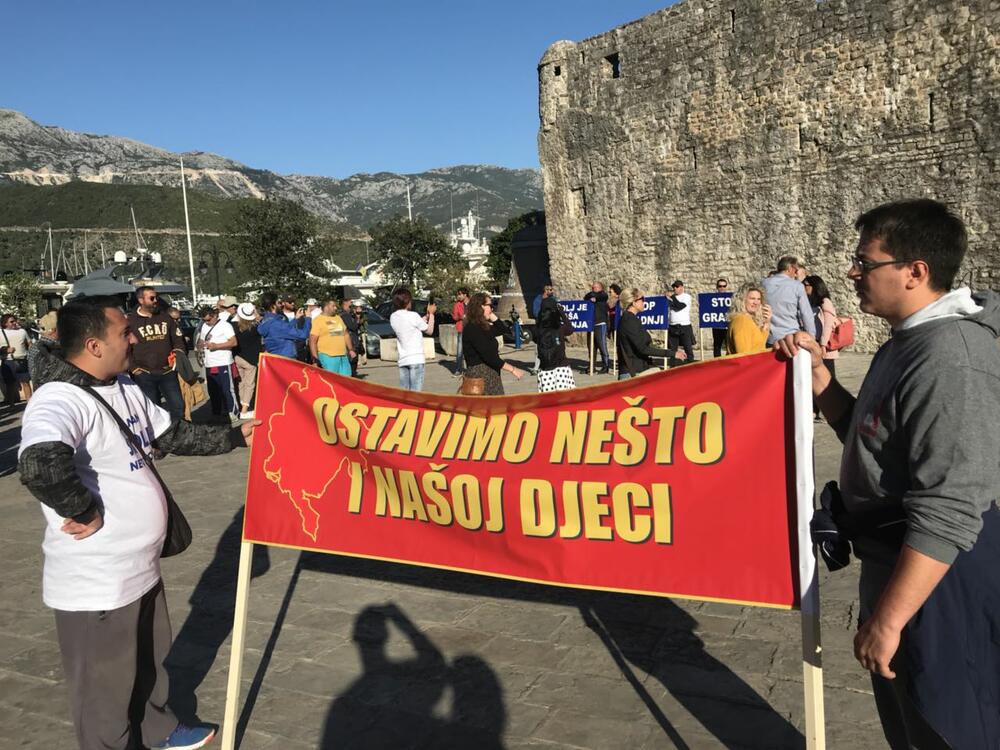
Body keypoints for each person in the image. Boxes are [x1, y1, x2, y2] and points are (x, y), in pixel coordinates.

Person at [778, 199, 1000, 749]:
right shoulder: (905, 342)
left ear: (915, 272)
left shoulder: (950, 355)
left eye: (865, 262)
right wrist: (821, 380)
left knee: (948, 725)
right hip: (901, 568)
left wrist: (889, 619)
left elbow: (950, 504)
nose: (852, 272)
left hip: (939, 580)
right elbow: (873, 436)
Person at [17, 295, 259, 750]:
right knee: (103, 689)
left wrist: (233, 436)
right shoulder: (59, 398)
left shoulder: (122, 384)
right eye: (123, 333)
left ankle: (158, 730)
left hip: (140, 569)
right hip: (98, 579)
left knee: (149, 662)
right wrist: (83, 510)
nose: (134, 339)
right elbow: (39, 463)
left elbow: (169, 434)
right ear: (92, 345)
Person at [127, 287, 186, 422]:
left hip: (167, 372)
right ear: (141, 300)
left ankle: (180, 436)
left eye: (156, 297)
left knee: (178, 406)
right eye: (151, 298)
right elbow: (125, 348)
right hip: (144, 373)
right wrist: (134, 368)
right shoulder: (131, 321)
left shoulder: (165, 317)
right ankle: (161, 439)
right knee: (153, 410)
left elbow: (178, 339)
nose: (156, 301)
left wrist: (177, 355)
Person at [461, 293, 525, 395]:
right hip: (480, 376)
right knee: (488, 408)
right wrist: (513, 369)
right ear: (480, 306)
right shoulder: (472, 328)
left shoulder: (483, 326)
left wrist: (490, 314)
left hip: (490, 374)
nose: (492, 308)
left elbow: (503, 329)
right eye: (490, 305)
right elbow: (489, 357)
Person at [616, 288, 685, 379]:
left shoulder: (631, 319)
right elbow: (643, 348)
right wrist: (672, 353)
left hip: (638, 369)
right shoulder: (629, 321)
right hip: (632, 373)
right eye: (642, 299)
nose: (644, 302)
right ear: (633, 302)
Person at [196, 306, 240, 422]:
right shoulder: (205, 325)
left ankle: (233, 412)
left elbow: (234, 342)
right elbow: (201, 339)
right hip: (209, 363)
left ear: (215, 316)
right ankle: (216, 412)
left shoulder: (225, 326)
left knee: (227, 389)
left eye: (208, 320)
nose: (207, 322)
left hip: (223, 362)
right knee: (213, 390)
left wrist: (216, 346)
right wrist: (200, 345)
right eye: (204, 320)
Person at [761, 256, 816, 344]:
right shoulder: (797, 286)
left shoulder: (764, 283)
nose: (796, 274)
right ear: (790, 268)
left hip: (768, 337)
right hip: (791, 338)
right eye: (796, 270)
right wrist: (811, 337)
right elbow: (806, 314)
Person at [389, 288, 435, 391]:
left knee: (405, 394)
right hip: (416, 358)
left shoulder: (393, 317)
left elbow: (411, 324)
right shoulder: (413, 315)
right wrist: (431, 315)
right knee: (415, 394)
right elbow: (429, 330)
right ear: (407, 301)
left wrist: (425, 317)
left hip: (403, 359)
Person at [536, 297, 576, 392]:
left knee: (548, 401)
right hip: (561, 367)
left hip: (545, 370)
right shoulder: (560, 328)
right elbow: (570, 329)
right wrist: (561, 312)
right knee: (564, 400)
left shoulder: (537, 330)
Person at [257, 292, 311, 359]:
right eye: (279, 303)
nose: (281, 304)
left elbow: (284, 329)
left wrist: (295, 319)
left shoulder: (267, 321)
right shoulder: (276, 324)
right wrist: (308, 319)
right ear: (273, 306)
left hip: (276, 357)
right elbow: (303, 335)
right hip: (285, 359)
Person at [310, 300, 355, 376]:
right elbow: (312, 341)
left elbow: (346, 334)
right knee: (332, 381)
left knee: (347, 380)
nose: (336, 308)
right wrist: (315, 359)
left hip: (343, 356)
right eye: (333, 306)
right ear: (326, 307)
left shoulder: (338, 318)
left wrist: (351, 350)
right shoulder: (318, 320)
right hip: (328, 356)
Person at [726, 282, 772, 354]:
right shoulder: (742, 320)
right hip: (748, 364)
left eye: (758, 299)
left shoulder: (749, 320)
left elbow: (759, 345)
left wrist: (766, 323)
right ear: (742, 300)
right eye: (752, 298)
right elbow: (744, 355)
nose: (756, 302)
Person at [233, 302, 262, 419]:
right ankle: (245, 410)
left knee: (241, 383)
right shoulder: (255, 328)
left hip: (237, 357)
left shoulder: (233, 326)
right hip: (250, 360)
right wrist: (257, 316)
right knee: (249, 385)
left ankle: (241, 406)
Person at [2, 313, 33, 402]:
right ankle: (12, 405)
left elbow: (29, 343)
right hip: (8, 361)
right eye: (12, 321)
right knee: (10, 385)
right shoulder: (1, 333)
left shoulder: (22, 331)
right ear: (5, 323)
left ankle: (29, 403)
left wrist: (30, 350)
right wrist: (6, 350)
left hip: (22, 360)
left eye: (15, 321)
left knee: (26, 383)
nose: (14, 323)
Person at [584, 281, 610, 373]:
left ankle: (606, 365)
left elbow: (601, 296)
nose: (593, 289)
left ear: (600, 288)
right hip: (591, 325)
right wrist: (592, 296)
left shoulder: (603, 295)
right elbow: (586, 296)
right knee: (591, 347)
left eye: (595, 288)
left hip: (600, 324)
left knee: (602, 345)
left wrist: (594, 297)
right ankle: (592, 366)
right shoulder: (591, 295)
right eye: (592, 288)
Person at [667, 280, 695, 365]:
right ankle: (672, 366)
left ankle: (690, 365)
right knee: (672, 349)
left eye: (677, 286)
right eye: (674, 287)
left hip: (684, 325)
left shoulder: (686, 296)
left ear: (682, 287)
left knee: (687, 347)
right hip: (672, 325)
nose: (675, 288)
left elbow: (680, 306)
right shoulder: (672, 298)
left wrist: (672, 297)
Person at [340, 299, 361, 375]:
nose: (352, 306)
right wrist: (357, 317)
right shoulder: (345, 315)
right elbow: (353, 327)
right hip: (350, 343)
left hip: (352, 342)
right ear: (345, 304)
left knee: (353, 363)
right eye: (351, 304)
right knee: (352, 364)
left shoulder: (349, 315)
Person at [451, 288, 468, 377]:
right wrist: (460, 317)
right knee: (460, 351)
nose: (458, 296)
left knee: (473, 350)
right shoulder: (457, 305)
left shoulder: (472, 303)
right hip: (461, 329)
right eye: (458, 294)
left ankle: (472, 369)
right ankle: (458, 370)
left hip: (472, 330)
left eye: (460, 294)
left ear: (465, 295)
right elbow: (454, 316)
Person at [712, 278, 731, 357]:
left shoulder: (731, 298)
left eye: (724, 286)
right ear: (717, 287)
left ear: (726, 287)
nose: (722, 288)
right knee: (717, 346)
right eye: (720, 286)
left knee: (729, 347)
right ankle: (716, 364)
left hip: (728, 326)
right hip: (717, 326)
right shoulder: (712, 298)